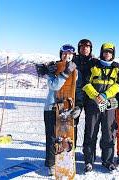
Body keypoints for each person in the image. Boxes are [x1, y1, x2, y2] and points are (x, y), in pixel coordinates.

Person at [82, 42, 119, 172]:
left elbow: (118, 85)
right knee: (91, 132)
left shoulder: (117, 68)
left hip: (109, 104)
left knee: (108, 133)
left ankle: (108, 160)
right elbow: (85, 82)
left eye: (110, 52)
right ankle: (89, 161)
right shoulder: (93, 64)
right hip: (93, 104)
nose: (107, 54)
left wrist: (105, 95)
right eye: (105, 52)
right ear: (101, 52)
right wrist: (95, 96)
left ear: (113, 54)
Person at [42, 44, 77, 176]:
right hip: (51, 107)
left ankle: (63, 159)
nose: (66, 56)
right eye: (64, 53)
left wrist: (76, 105)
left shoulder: (74, 70)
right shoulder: (54, 68)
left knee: (65, 136)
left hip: (66, 107)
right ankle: (51, 163)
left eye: (69, 54)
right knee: (52, 137)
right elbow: (54, 86)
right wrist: (65, 72)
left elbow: (74, 89)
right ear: (60, 54)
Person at [72, 39, 98, 148]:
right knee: (72, 122)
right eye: (82, 47)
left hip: (90, 96)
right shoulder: (74, 60)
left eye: (87, 47)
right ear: (79, 49)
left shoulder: (95, 61)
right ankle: (70, 148)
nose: (85, 48)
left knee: (90, 125)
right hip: (75, 96)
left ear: (90, 49)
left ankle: (88, 152)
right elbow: (61, 63)